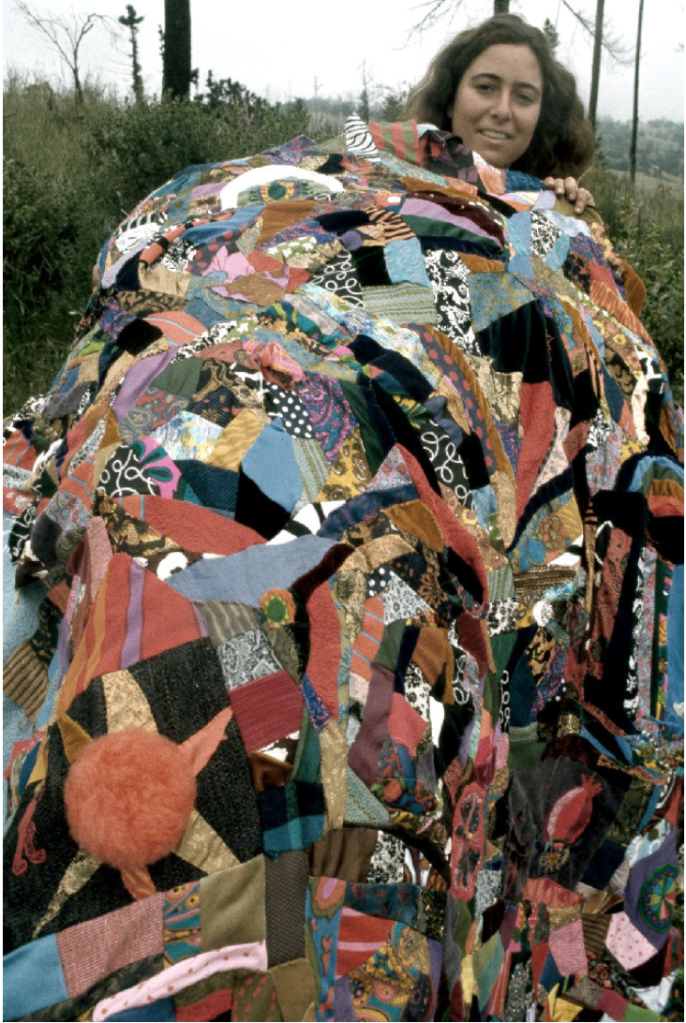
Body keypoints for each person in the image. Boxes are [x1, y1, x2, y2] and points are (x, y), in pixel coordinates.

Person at [404, 12, 596, 213]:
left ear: (542, 117)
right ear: (450, 99)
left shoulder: (549, 207)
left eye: (524, 97)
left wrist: (574, 214)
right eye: (485, 87)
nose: (502, 111)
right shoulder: (392, 187)